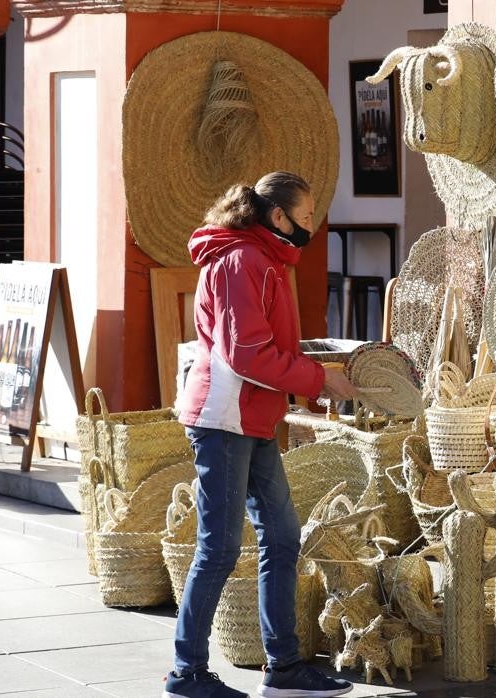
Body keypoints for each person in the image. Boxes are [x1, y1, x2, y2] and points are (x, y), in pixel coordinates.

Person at [166, 171, 356, 698]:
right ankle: (186, 672)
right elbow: (245, 354)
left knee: (280, 536)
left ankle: (285, 665)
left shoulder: (265, 258)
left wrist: (315, 375)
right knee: (220, 550)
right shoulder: (242, 261)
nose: (311, 225)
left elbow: (268, 348)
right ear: (278, 217)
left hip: (254, 419)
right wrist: (320, 380)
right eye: (306, 214)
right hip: (224, 420)